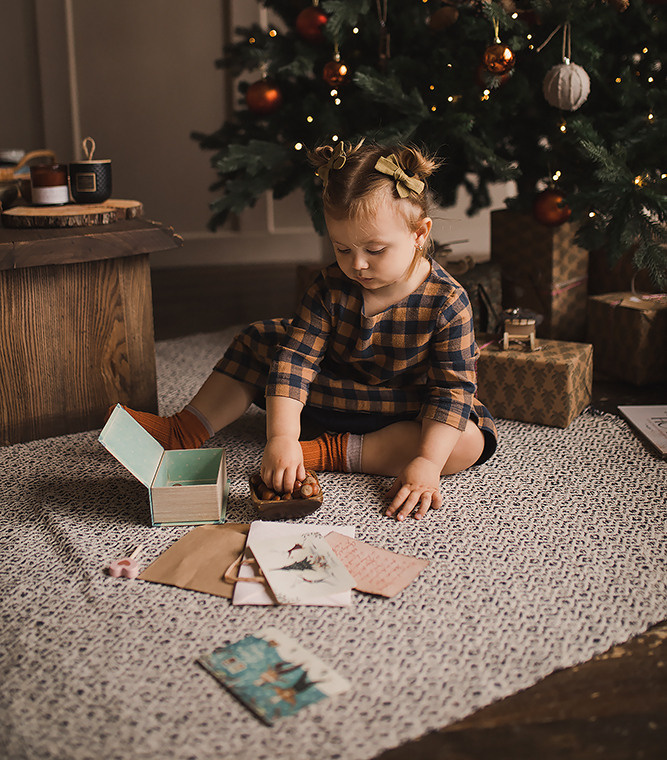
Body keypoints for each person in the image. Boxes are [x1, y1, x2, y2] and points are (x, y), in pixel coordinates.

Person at [115, 140, 497, 522]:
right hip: (329, 394)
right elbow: (295, 361)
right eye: (342, 248)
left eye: (375, 250)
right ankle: (186, 429)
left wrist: (428, 463)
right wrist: (280, 437)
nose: (357, 264)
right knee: (260, 338)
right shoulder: (328, 286)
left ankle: (325, 452)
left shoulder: (448, 302)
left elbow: (451, 389)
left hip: (401, 409)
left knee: (466, 443)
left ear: (419, 233)